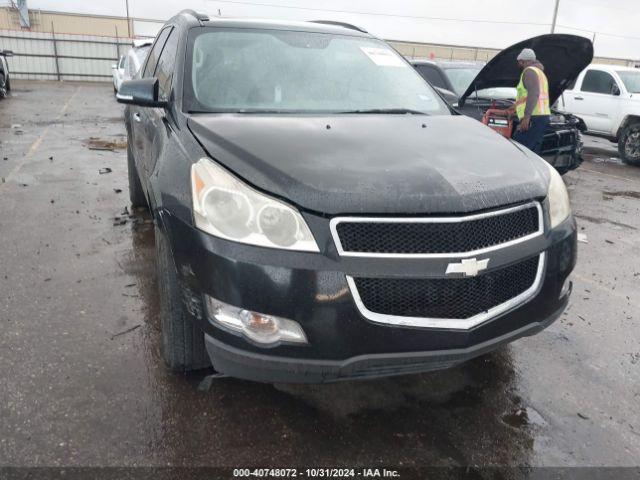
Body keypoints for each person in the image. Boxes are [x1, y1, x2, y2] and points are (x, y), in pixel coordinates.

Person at [511, 48, 550, 154]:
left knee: (520, 150)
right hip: (541, 116)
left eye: (520, 61)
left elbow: (534, 94)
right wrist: (514, 107)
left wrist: (526, 117)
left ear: (526, 61)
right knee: (532, 153)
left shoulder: (529, 72)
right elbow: (527, 96)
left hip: (533, 117)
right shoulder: (540, 73)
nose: (519, 64)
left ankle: (519, 171)